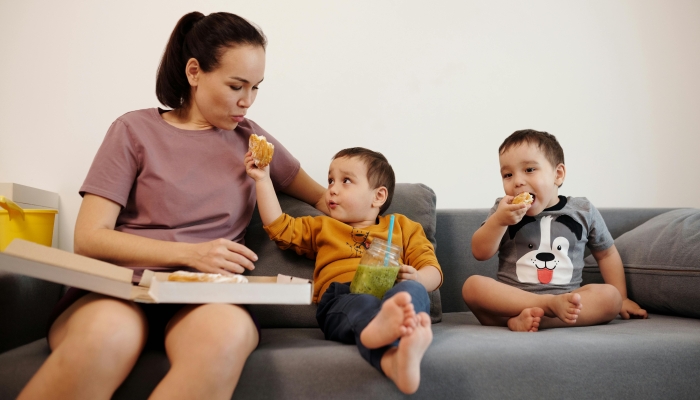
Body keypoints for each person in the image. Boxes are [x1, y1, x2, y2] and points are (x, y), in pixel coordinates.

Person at [18, 11, 327, 399]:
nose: (247, 102)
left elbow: (322, 198)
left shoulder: (252, 139)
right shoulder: (133, 130)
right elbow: (89, 238)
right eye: (236, 86)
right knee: (108, 336)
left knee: (225, 337)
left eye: (256, 88)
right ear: (194, 72)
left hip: (206, 296)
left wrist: (385, 235)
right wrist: (192, 253)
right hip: (119, 288)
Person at [245, 146, 442, 394]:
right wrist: (262, 179)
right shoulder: (323, 226)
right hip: (343, 297)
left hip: (392, 295)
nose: (332, 189)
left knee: (412, 290)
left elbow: (432, 270)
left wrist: (417, 277)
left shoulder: (403, 227)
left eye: (346, 180)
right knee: (360, 305)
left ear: (378, 197)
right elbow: (278, 226)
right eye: (330, 180)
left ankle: (394, 353)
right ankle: (388, 329)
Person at [462, 129, 648, 332]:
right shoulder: (503, 210)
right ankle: (544, 308)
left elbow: (606, 254)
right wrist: (499, 221)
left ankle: (532, 320)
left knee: (610, 297)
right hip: (512, 304)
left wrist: (622, 297)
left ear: (557, 175)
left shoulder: (582, 210)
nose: (517, 181)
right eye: (508, 174)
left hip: (567, 302)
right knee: (472, 287)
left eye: (529, 170)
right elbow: (480, 253)